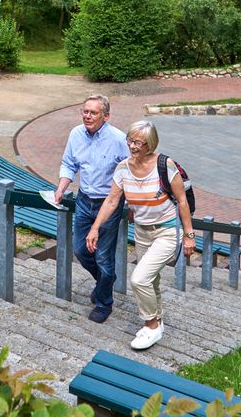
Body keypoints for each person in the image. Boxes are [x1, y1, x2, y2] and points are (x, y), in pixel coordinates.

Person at [86, 120, 195, 350]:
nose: (132, 146)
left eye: (138, 142)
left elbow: (182, 201)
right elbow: (112, 200)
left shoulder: (166, 166)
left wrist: (189, 235)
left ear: (150, 144)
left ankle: (151, 325)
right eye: (130, 140)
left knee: (139, 278)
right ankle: (158, 320)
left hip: (167, 231)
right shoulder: (123, 168)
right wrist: (95, 228)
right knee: (151, 279)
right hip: (142, 231)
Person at [54, 94, 130, 323]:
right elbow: (69, 163)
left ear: (105, 116)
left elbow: (131, 171)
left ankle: (104, 302)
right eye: (85, 111)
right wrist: (61, 188)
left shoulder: (118, 139)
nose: (87, 116)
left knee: (104, 257)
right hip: (84, 200)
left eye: (93, 112)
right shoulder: (76, 134)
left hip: (108, 205)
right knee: (80, 250)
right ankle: (106, 281)